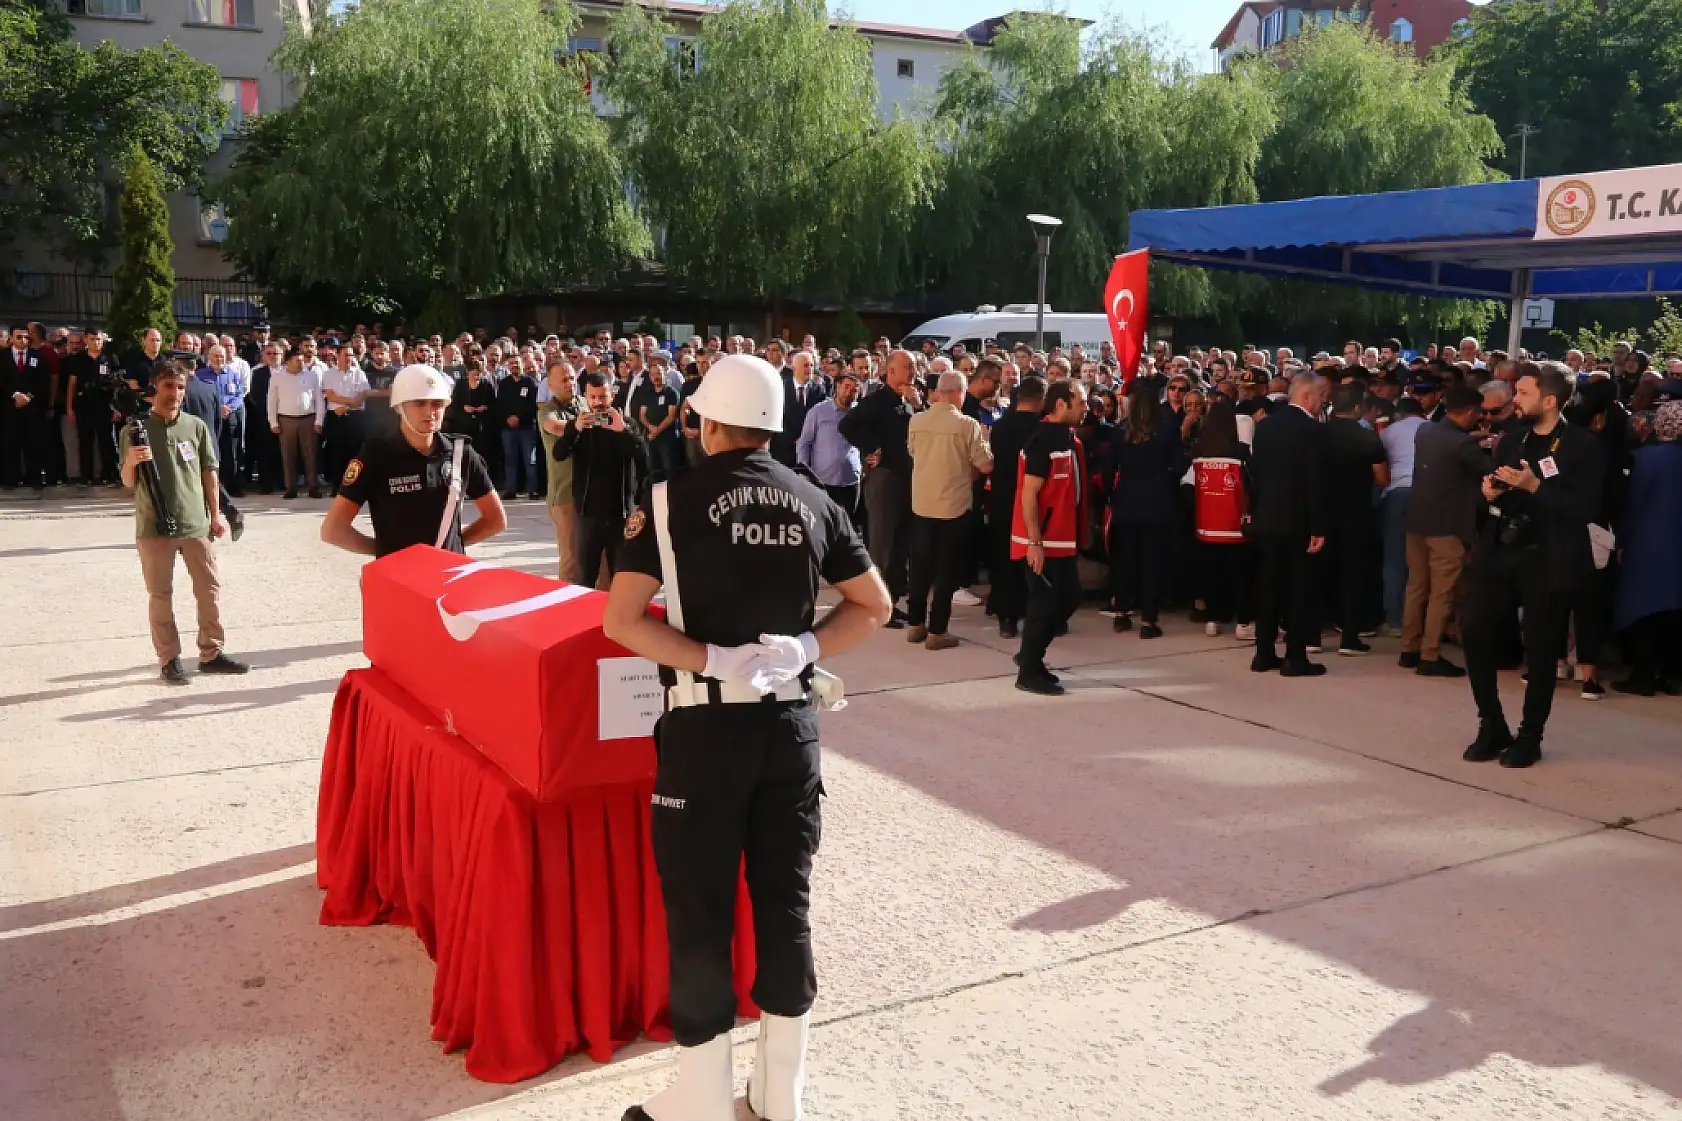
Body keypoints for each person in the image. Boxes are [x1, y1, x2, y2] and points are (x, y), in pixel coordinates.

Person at [604, 353, 890, 1121]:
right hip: (789, 729)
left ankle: (700, 1096)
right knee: (785, 903)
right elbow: (875, 604)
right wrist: (808, 647)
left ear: (706, 422)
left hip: (705, 732)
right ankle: (778, 1092)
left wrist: (708, 657)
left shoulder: (667, 500)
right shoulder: (814, 498)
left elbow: (621, 620)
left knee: (700, 911)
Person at [1461, 361, 1604, 769]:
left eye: (1523, 393)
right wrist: (1490, 492)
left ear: (1550, 400)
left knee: (1540, 650)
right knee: (1473, 629)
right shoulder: (1513, 439)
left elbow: (1587, 509)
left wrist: (1536, 487)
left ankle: (1529, 737)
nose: (1515, 400)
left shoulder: (1581, 447)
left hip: (1548, 558)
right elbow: (1496, 486)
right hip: (1502, 549)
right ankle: (1492, 724)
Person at [118, 362, 249, 685]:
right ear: (155, 387)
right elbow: (128, 482)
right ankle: (169, 659)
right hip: (154, 526)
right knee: (160, 594)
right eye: (168, 386)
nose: (174, 393)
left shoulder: (196, 426)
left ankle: (211, 653)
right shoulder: (135, 430)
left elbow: (209, 473)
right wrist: (132, 460)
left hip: (195, 524)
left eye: (180, 387)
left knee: (209, 590)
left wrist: (215, 515)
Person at [320, 364, 505, 558]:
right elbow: (334, 530)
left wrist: (453, 546)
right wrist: (387, 552)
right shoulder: (376, 455)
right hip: (398, 573)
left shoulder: (461, 452)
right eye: (419, 403)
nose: (430, 411)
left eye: (437, 403)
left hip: (448, 571)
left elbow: (495, 519)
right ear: (399, 407)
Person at [1399, 384, 1490, 677]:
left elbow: (1450, 443)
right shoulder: (1463, 445)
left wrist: (1472, 438)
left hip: (1417, 520)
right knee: (1443, 592)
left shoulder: (1425, 431)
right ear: (1471, 412)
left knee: (1416, 586)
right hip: (1447, 526)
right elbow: (1489, 469)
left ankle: (1409, 648)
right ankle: (1430, 654)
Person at [904, 371, 993, 650]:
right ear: (959, 393)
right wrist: (986, 442)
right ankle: (937, 630)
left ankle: (915, 624)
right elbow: (985, 464)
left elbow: (912, 452)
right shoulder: (967, 425)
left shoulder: (917, 420)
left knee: (920, 567)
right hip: (954, 506)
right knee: (947, 571)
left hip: (923, 503)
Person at [1248, 373, 1330, 677]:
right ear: (1307, 396)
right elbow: (1316, 483)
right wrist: (1318, 527)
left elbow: (1256, 473)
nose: (1322, 403)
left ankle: (1263, 653)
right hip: (1299, 522)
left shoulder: (1266, 426)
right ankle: (1295, 657)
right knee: (1298, 589)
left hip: (1268, 517)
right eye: (1320, 397)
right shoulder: (1313, 431)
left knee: (1269, 587)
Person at [1013, 379, 1089, 696]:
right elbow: (1029, 493)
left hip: (1062, 539)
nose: (1086, 407)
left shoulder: (1066, 437)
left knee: (1068, 599)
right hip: (1043, 541)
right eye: (1081, 402)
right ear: (1061, 404)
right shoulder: (1043, 440)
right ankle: (1028, 671)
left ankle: (1030, 656)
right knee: (1043, 607)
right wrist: (1035, 542)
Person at [840, 348, 919, 627]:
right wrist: (871, 448)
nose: (913, 372)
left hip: (908, 478)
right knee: (882, 543)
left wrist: (918, 405)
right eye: (908, 367)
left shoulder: (909, 401)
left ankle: (892, 601)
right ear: (891, 371)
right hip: (885, 480)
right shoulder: (876, 401)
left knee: (900, 545)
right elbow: (847, 425)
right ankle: (877, 604)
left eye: (914, 367)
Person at [1106, 380, 1186, 638]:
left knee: (1126, 560)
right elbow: (1179, 465)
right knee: (1152, 562)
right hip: (1158, 501)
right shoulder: (1166, 429)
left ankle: (1121, 612)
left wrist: (1110, 496)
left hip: (1126, 500)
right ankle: (1149, 620)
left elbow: (1109, 468)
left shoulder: (1121, 430)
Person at [1613, 400, 1682, 695]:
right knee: (1676, 611)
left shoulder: (1647, 458)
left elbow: (1634, 503)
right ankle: (1672, 676)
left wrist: (1622, 540)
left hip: (1650, 543)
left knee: (1646, 609)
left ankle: (1642, 676)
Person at [554, 371, 647, 588]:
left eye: (603, 397)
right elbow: (558, 454)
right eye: (593, 397)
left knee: (620, 577)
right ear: (585, 397)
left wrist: (622, 430)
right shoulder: (580, 426)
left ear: (611, 396)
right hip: (588, 514)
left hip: (619, 515)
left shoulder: (626, 424)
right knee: (584, 578)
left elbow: (643, 455)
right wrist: (574, 430)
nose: (598, 403)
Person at [1322, 381, 1389, 655]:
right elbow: (1382, 477)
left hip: (1322, 512)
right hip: (1355, 512)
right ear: (1358, 407)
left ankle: (1311, 636)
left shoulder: (1317, 434)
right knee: (1352, 575)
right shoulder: (1367, 437)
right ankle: (1349, 637)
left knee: (1319, 573)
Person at [1189, 396, 1255, 639]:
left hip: (1207, 523)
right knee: (1240, 575)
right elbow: (1252, 484)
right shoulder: (1240, 451)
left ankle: (1212, 620)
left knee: (1212, 573)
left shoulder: (1198, 450)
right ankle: (1243, 623)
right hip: (1235, 523)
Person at [985, 375, 1045, 640]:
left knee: (1004, 557)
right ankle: (1036, 614)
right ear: (1041, 399)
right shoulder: (1042, 428)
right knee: (1033, 558)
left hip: (1002, 499)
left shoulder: (999, 427)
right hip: (1033, 499)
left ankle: (1006, 617)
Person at [1378, 396, 1428, 634]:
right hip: (1427, 494)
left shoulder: (1388, 432)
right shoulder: (1433, 429)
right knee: (1425, 558)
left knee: (1395, 557)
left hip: (1398, 493)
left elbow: (1380, 465)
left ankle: (1396, 619)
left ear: (1398, 414)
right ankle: (1423, 618)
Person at [795, 370, 863, 528]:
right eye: (846, 387)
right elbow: (804, 443)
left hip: (850, 480)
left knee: (847, 526)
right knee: (823, 524)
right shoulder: (818, 411)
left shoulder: (859, 413)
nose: (849, 392)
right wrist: (804, 472)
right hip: (823, 480)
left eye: (854, 390)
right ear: (837, 387)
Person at [538, 359, 584, 583]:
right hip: (565, 494)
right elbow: (554, 427)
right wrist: (579, 425)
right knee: (571, 559)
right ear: (551, 385)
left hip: (591, 491)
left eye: (572, 378)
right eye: (564, 380)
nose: (569, 383)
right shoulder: (548, 411)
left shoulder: (585, 404)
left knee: (602, 557)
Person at [63, 330, 122, 487]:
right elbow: (72, 384)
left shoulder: (110, 358)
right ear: (86, 340)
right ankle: (86, 476)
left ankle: (108, 474)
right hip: (84, 405)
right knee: (85, 440)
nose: (96, 342)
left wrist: (117, 407)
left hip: (105, 405)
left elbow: (117, 385)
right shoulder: (78, 359)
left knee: (106, 440)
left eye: (98, 339)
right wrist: (69, 408)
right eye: (92, 339)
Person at [268, 351, 326, 499]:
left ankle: (313, 487)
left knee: (311, 454)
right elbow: (272, 401)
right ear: (287, 362)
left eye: (302, 360)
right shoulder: (277, 377)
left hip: (308, 419)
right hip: (286, 420)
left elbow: (319, 400)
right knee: (288, 455)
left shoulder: (312, 376)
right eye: (297, 361)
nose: (301, 363)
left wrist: (319, 421)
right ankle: (291, 488)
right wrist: (273, 422)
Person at [495, 354, 541, 499]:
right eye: (511, 363)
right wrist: (507, 418)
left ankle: (533, 489)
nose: (514, 365)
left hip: (527, 428)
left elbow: (534, 406)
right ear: (508, 366)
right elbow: (499, 405)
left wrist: (519, 418)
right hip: (508, 428)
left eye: (517, 362)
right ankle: (511, 489)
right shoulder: (504, 384)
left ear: (522, 364)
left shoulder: (530, 383)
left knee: (530, 459)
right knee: (510, 459)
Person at [639, 361, 685, 480]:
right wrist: (650, 427)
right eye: (653, 374)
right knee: (653, 470)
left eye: (658, 373)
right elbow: (642, 415)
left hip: (668, 438)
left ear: (664, 374)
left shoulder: (672, 393)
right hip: (651, 438)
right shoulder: (647, 394)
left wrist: (657, 430)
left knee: (669, 470)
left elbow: (671, 416)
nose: (656, 377)